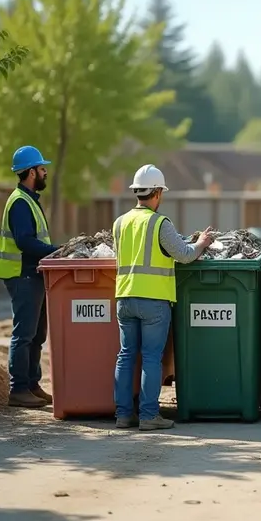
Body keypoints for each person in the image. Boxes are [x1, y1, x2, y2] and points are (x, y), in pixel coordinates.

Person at [112, 164, 215, 431]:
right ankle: (148, 416)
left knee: (125, 356)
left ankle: (123, 415)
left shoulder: (120, 223)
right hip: (153, 300)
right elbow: (184, 254)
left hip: (124, 297)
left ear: (137, 192)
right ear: (157, 192)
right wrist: (202, 242)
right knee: (150, 358)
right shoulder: (160, 223)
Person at [0, 145, 62, 409]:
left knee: (37, 333)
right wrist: (57, 252)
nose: (45, 173)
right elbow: (24, 242)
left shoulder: (29, 200)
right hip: (21, 275)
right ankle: (18, 388)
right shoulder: (20, 203)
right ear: (32, 172)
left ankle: (32, 384)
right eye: (42, 169)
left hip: (32, 273)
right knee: (25, 333)